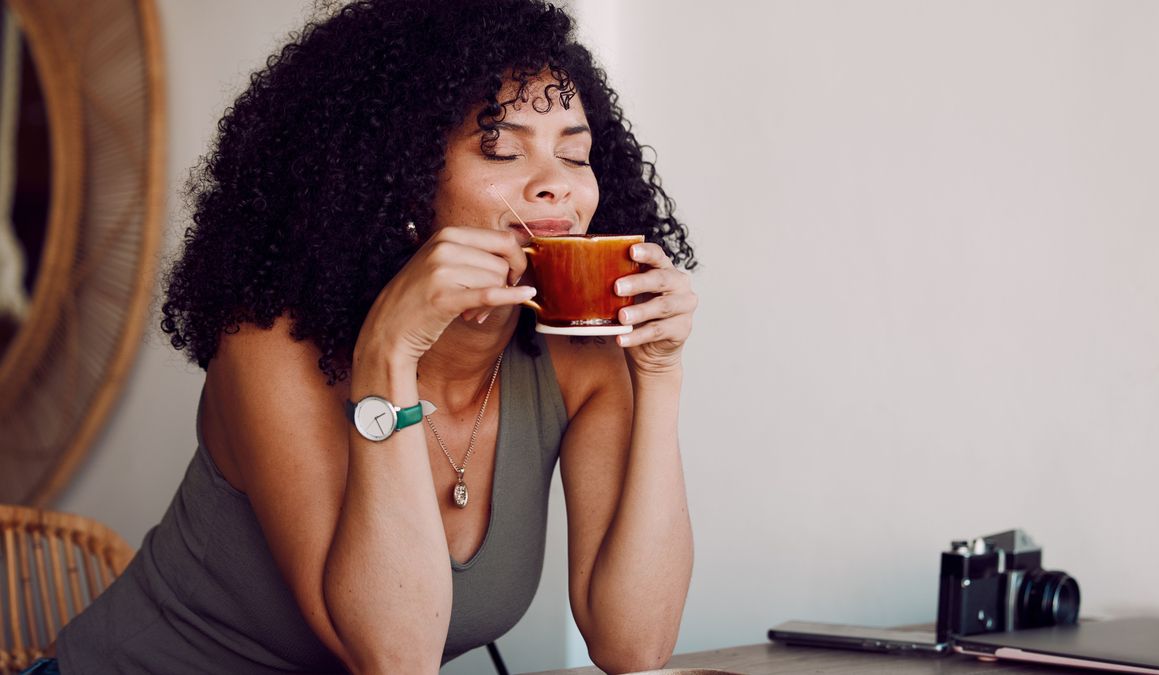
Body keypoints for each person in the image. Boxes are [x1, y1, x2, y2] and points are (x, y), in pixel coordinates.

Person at [47, 0, 697, 673]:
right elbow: (394, 656)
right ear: (402, 178)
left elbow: (633, 643)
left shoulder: (577, 359)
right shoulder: (269, 345)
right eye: (501, 146)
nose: (556, 185)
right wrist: (389, 353)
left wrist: (659, 374)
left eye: (575, 152)